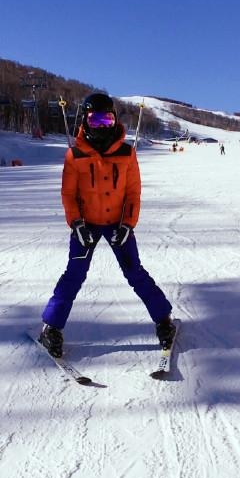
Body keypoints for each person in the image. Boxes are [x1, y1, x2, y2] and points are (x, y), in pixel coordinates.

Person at [39, 92, 175, 357]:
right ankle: (51, 326)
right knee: (74, 274)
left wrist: (127, 224)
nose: (101, 126)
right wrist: (77, 223)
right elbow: (68, 194)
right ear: (85, 121)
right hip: (86, 225)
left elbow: (133, 193)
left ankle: (164, 320)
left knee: (134, 272)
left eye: (107, 120)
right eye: (95, 120)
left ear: (115, 120)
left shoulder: (126, 153)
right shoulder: (75, 155)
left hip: (117, 224)